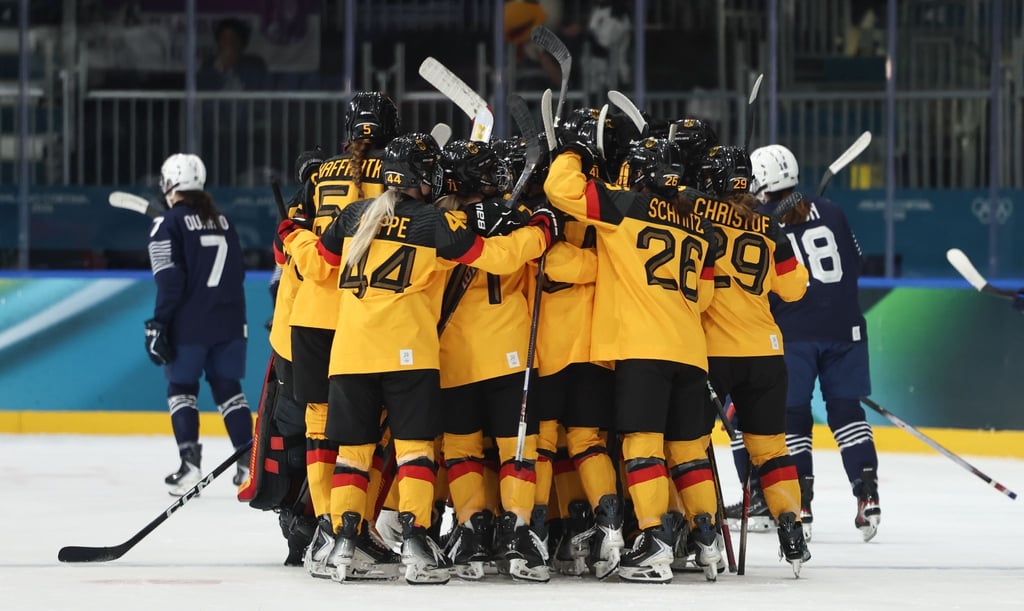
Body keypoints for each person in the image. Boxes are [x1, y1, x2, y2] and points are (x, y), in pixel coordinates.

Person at [278, 132, 562, 585]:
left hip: (349, 355)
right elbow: (496, 256)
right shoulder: (434, 223)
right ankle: (415, 543)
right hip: (407, 355)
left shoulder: (354, 215)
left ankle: (343, 545)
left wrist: (293, 235)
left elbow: (315, 265)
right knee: (415, 452)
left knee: (352, 454)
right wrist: (539, 230)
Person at [545, 136, 720, 583]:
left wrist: (572, 152)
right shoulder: (696, 222)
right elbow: (703, 298)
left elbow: (560, 189)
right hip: (691, 350)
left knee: (643, 447)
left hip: (645, 348)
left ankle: (654, 539)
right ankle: (707, 538)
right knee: (688, 451)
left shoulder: (624, 205)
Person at [285, 91, 400, 580]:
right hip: (363, 312)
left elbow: (288, 244)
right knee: (368, 429)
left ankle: (328, 529)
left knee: (317, 422)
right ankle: (358, 526)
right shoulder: (398, 172)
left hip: (311, 313)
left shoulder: (320, 173)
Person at [749, 143, 881, 542]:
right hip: (845, 328)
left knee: (793, 418)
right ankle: (868, 496)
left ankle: (801, 504)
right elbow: (855, 264)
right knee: (847, 412)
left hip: (794, 332)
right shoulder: (833, 211)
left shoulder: (760, 222)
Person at [693, 144, 811, 574]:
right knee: (772, 449)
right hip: (765, 352)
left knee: (692, 444)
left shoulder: (698, 218)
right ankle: (791, 528)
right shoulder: (768, 226)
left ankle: (700, 532)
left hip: (714, 353)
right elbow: (795, 288)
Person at [145, 153, 253, 496]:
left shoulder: (167, 224)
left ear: (169, 184)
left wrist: (159, 322)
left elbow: (169, 281)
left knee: (181, 389)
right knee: (229, 389)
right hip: (230, 321)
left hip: (189, 324)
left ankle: (190, 467)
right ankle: (249, 464)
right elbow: (239, 272)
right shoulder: (223, 221)